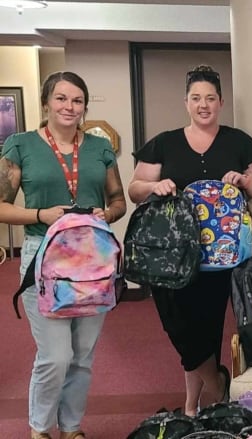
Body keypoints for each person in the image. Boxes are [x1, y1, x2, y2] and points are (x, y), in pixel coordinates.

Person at [128, 65, 252, 416]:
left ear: (221, 102)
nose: (203, 105)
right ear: (186, 103)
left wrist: (243, 179)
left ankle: (192, 406)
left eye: (210, 98)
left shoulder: (238, 141)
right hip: (173, 254)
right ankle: (219, 385)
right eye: (196, 98)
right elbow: (134, 190)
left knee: (207, 329)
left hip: (220, 254)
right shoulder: (164, 142)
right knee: (179, 325)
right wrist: (153, 187)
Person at [0, 71, 127, 439]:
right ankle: (40, 428)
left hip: (93, 257)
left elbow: (118, 200)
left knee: (83, 354)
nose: (69, 107)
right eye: (61, 98)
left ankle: (71, 428)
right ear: (45, 103)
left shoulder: (99, 148)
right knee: (56, 355)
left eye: (76, 100)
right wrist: (41, 215)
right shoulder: (20, 145)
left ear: (85, 106)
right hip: (43, 256)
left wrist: (109, 213)